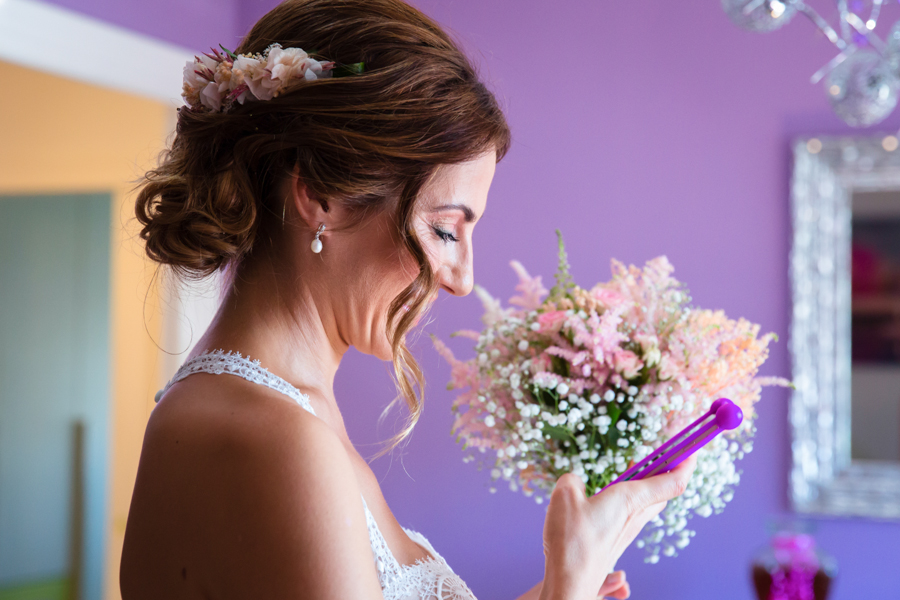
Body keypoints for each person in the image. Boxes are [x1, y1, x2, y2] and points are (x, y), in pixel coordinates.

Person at [120, 0, 695, 598]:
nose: (461, 279)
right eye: (445, 229)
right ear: (320, 195)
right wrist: (568, 585)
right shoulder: (276, 440)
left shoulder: (265, 413)